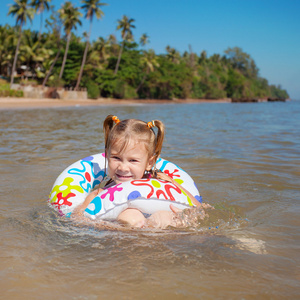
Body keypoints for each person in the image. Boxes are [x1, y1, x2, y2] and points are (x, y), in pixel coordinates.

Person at [73, 115, 203, 229]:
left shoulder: (161, 182)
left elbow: (199, 207)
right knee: (130, 216)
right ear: (107, 155)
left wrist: (185, 215)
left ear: (149, 163)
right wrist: (107, 226)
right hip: (124, 237)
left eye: (133, 160)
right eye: (116, 158)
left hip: (163, 233)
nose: (123, 168)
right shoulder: (99, 194)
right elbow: (78, 219)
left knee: (164, 216)